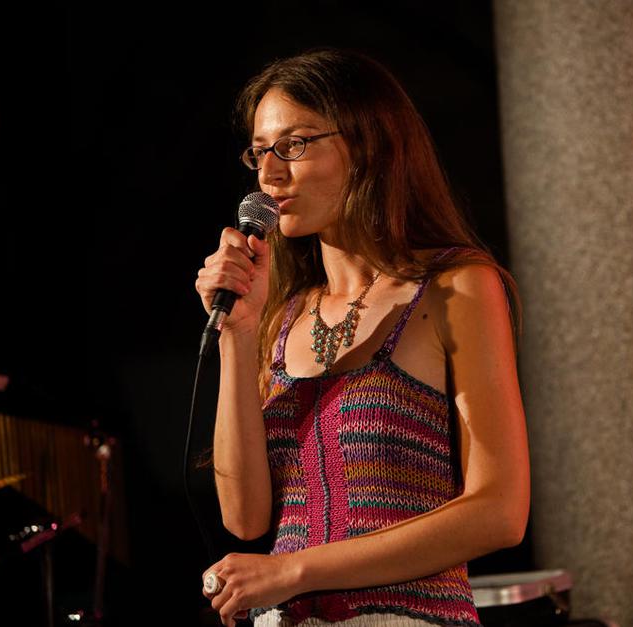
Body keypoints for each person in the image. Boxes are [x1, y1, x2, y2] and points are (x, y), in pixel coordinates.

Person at [194, 48, 530, 627]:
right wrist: (237, 333)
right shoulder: (280, 317)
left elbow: (499, 512)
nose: (269, 174)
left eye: (293, 145)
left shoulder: (454, 286)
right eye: (259, 152)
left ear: (368, 144)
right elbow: (244, 518)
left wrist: (296, 570)